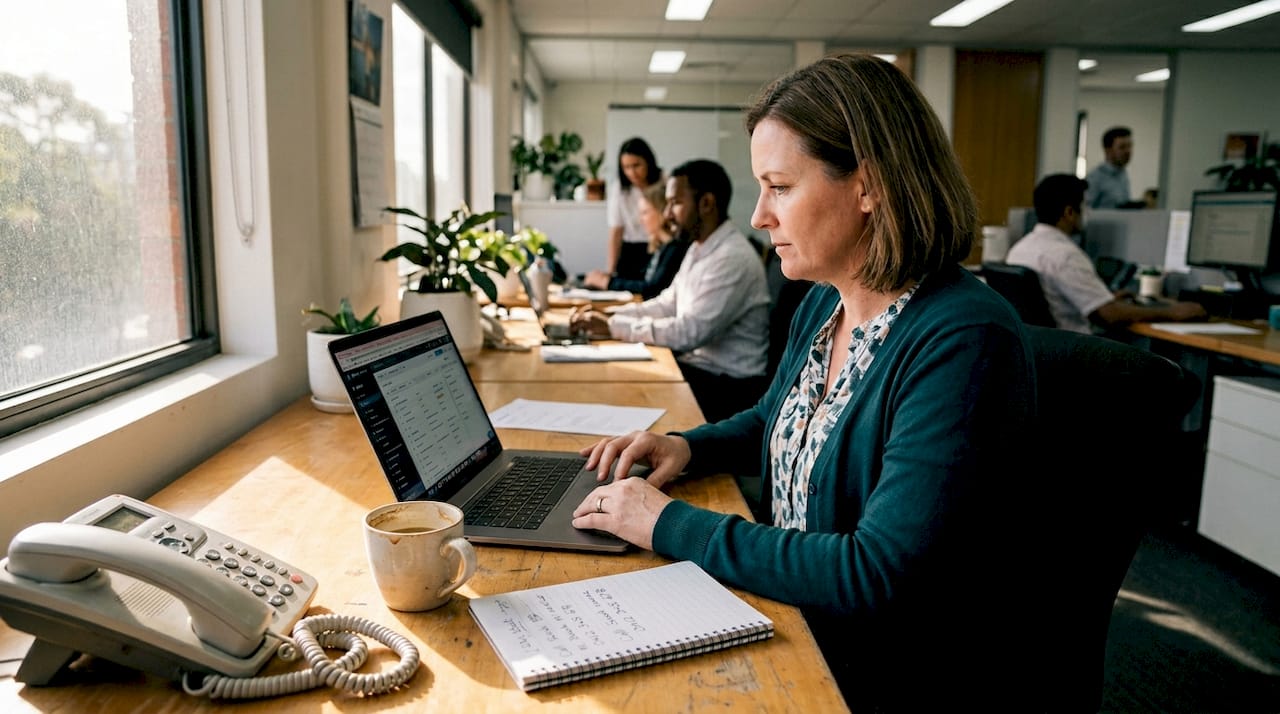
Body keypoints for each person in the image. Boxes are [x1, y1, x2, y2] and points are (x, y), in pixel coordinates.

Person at [569, 54, 1044, 708]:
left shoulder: (963, 340)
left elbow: (876, 572)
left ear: (868, 186)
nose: (761, 215)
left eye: (780, 186)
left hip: (873, 668)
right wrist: (690, 447)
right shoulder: (827, 300)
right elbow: (775, 415)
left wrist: (670, 524)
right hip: (792, 614)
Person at [570, 159, 770, 423]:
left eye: (675, 203)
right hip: (702, 371)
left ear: (706, 204)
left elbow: (689, 332)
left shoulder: (731, 258)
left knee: (621, 380)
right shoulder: (700, 248)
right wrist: (611, 315)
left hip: (729, 389)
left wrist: (612, 327)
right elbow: (666, 303)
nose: (667, 214)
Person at [1007, 173, 1206, 333]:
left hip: (1041, 355)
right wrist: (1173, 312)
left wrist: (1103, 298)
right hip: (1075, 355)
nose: (1086, 213)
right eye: (1084, 206)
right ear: (1069, 213)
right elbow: (1110, 315)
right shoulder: (1065, 255)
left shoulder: (1019, 249)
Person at [582, 181, 689, 299]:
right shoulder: (661, 248)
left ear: (661, 212)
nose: (640, 220)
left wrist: (607, 282)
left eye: (645, 213)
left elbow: (653, 289)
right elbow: (642, 281)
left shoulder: (675, 249)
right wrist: (607, 279)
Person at [604, 137, 663, 281]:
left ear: (648, 162)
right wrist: (610, 271)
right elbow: (616, 231)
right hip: (630, 251)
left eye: (636, 165)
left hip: (659, 247)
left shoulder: (664, 182)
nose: (632, 173)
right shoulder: (619, 188)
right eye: (626, 167)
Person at [1085, 126, 1133, 209]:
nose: (1128, 151)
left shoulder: (1123, 175)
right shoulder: (1094, 178)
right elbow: (1085, 212)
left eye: (1130, 146)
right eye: (1122, 147)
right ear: (1107, 150)